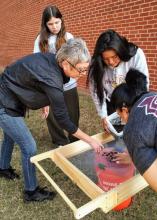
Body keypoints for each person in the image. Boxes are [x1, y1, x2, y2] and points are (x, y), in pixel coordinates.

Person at [0, 38, 103, 202]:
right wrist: (90, 140)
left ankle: (2, 168)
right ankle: (31, 191)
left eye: (85, 70)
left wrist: (43, 101)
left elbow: (33, 77)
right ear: (66, 64)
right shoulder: (53, 79)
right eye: (81, 70)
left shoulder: (52, 59)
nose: (82, 75)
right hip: (4, 103)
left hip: (9, 93)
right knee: (29, 147)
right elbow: (63, 120)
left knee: (10, 137)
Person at [110, 68, 157, 220]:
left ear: (124, 110)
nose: (123, 120)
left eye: (120, 116)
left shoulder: (133, 127)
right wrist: (134, 156)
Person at [87, 29, 149, 164]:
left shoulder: (136, 55)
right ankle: (114, 160)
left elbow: (142, 86)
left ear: (121, 50)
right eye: (106, 59)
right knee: (114, 134)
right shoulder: (96, 65)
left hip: (133, 102)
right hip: (112, 104)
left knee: (134, 133)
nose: (111, 62)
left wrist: (132, 112)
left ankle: (133, 159)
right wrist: (103, 115)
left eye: (115, 57)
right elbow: (97, 93)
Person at [33, 5, 79, 145]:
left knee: (72, 114)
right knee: (53, 116)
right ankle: (60, 142)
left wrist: (75, 76)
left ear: (61, 20)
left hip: (69, 85)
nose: (54, 26)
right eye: (50, 23)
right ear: (45, 24)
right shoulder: (40, 39)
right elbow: (37, 63)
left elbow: (77, 59)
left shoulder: (68, 37)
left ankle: (74, 141)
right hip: (50, 85)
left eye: (57, 22)